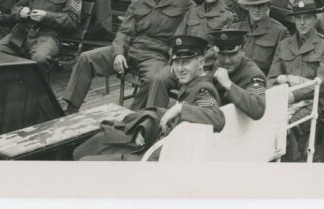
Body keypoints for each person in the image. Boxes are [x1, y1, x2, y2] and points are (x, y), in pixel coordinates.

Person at [62, 0, 194, 113]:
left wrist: (175, 55)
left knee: (153, 79)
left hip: (155, 55)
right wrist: (118, 53)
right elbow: (124, 32)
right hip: (130, 49)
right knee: (86, 58)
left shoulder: (184, 4)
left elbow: (188, 26)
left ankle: (132, 118)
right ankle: (70, 109)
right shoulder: (138, 3)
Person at [72, 34, 224, 161]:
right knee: (89, 146)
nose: (180, 69)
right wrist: (147, 125)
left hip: (159, 157)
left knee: (85, 160)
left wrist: (180, 108)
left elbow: (217, 119)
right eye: (176, 63)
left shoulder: (203, 90)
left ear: (201, 63)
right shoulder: (190, 83)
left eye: (186, 63)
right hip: (158, 143)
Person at [268, 0, 324, 162]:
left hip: (310, 103)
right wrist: (273, 98)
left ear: (314, 19)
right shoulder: (285, 44)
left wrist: (295, 95)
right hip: (282, 99)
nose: (302, 23)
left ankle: (289, 167)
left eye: (307, 18)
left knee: (287, 127)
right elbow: (271, 78)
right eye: (299, 18)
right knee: (264, 122)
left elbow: (323, 85)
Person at [208, 29, 267, 119]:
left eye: (232, 54)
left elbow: (258, 110)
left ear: (243, 51)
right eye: (222, 54)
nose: (227, 60)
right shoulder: (219, 63)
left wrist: (228, 84)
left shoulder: (253, 74)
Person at [234, 0, 288, 75]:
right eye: (253, 5)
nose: (256, 10)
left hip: (261, 83)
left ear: (268, 5)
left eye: (261, 5)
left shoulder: (279, 31)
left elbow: (278, 68)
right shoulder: (235, 28)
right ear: (247, 6)